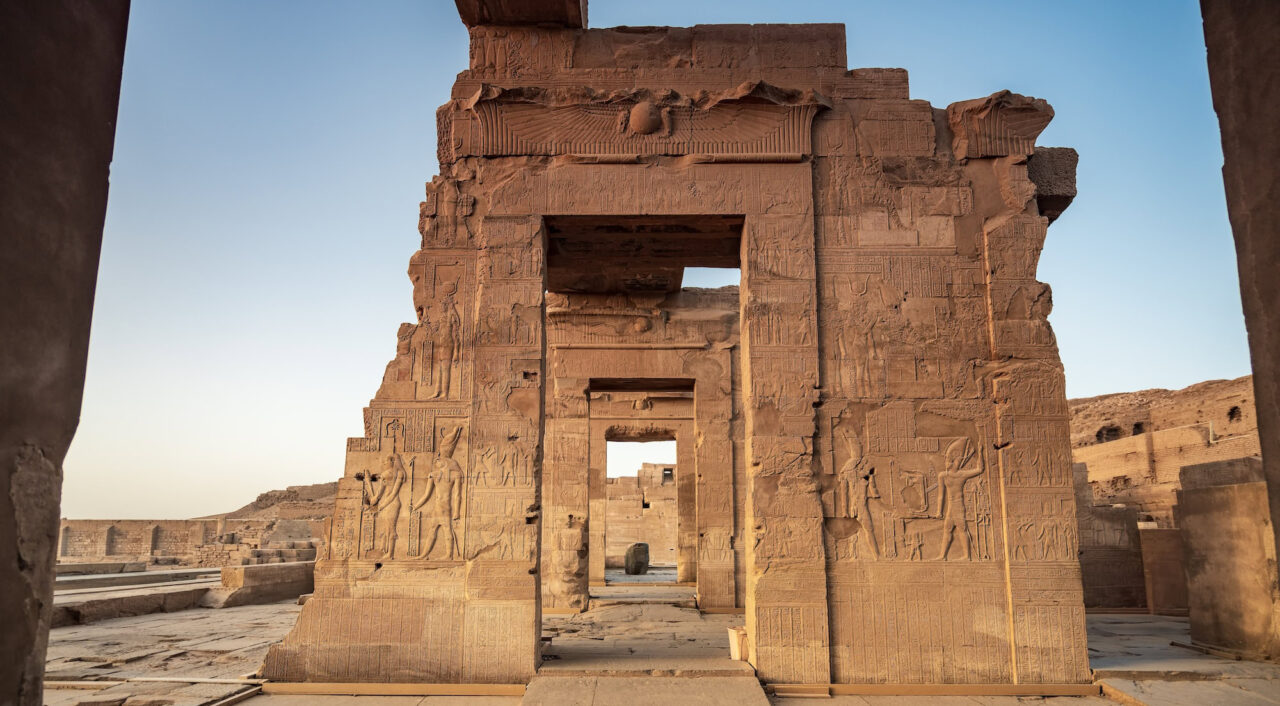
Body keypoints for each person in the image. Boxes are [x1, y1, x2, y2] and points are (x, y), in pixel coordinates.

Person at [936, 438, 983, 561]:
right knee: (947, 529)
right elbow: (941, 495)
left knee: (962, 529)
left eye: (953, 460)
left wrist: (981, 453)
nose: (949, 463)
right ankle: (942, 555)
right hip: (951, 506)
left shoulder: (962, 475)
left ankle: (967, 556)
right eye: (948, 460)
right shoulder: (943, 476)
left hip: (958, 505)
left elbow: (980, 470)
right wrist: (939, 511)